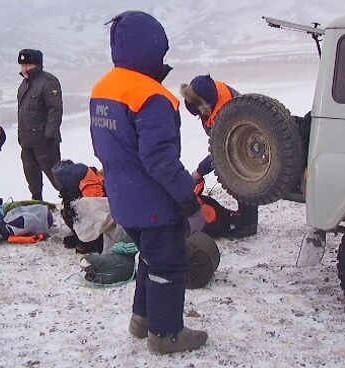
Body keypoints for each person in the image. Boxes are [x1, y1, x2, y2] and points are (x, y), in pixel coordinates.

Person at [90, 11, 207, 354]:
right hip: (154, 201)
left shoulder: (103, 88)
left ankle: (141, 320)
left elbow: (103, 146)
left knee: (149, 258)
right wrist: (187, 200)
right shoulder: (152, 96)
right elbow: (160, 160)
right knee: (169, 262)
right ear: (152, 48)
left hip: (122, 197)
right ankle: (166, 334)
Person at [180, 75, 258, 238]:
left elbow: (221, 152)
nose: (199, 118)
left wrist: (199, 172)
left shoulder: (228, 115)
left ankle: (248, 224)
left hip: (246, 142)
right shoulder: (208, 92)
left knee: (239, 174)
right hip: (233, 140)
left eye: (200, 114)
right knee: (232, 171)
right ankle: (243, 215)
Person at [17, 48, 63, 200]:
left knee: (57, 178)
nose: (24, 68)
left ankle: (73, 203)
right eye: (22, 65)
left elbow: (55, 110)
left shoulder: (48, 82)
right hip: (27, 141)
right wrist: (20, 136)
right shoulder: (24, 85)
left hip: (44, 141)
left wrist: (50, 135)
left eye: (28, 65)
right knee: (32, 178)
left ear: (37, 65)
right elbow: (22, 113)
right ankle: (38, 204)